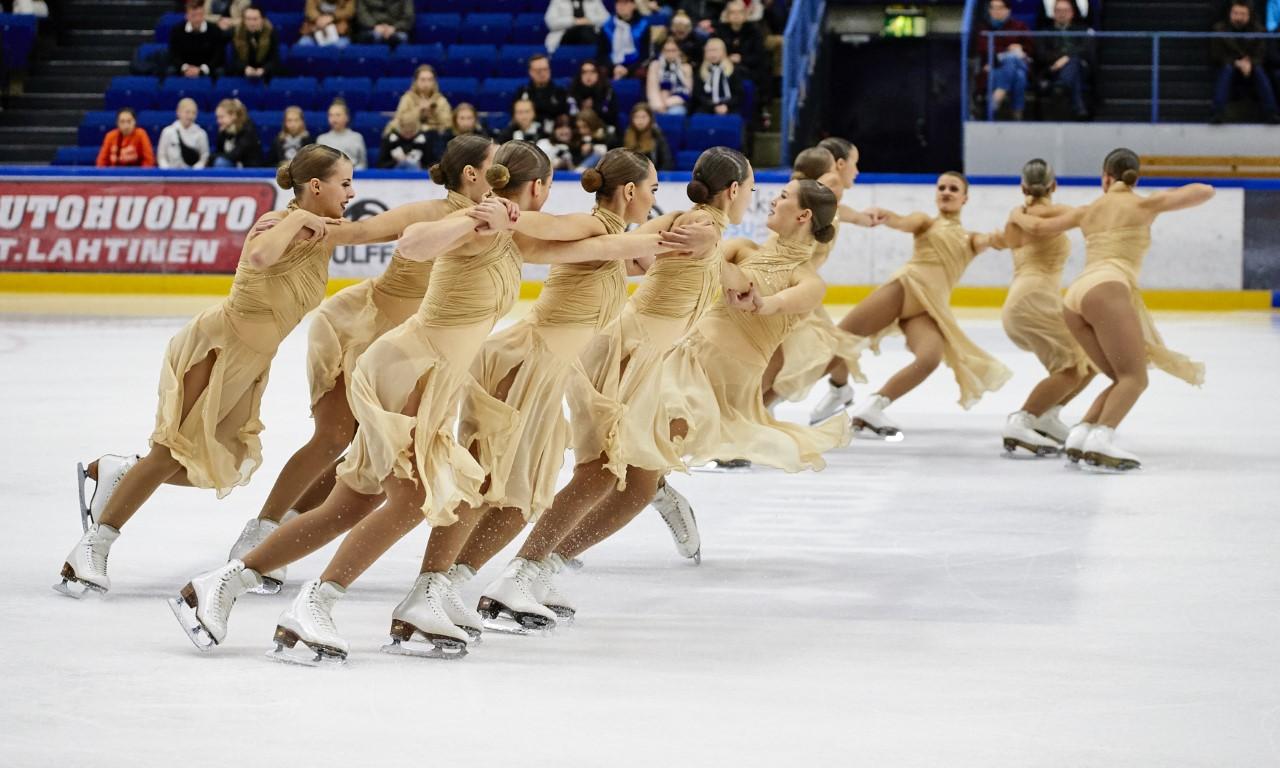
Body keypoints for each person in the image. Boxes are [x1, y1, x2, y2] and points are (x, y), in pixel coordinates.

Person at [174, 141, 674, 661]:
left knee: (359, 500)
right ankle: (321, 604)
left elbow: (603, 249)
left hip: (431, 378)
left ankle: (222, 584)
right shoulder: (464, 221)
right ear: (539, 187)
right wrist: (474, 221)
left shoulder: (511, 239)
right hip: (407, 368)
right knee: (420, 497)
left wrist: (667, 242)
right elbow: (412, 243)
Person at [57, 144, 452, 599]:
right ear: (316, 186)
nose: (352, 191)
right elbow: (262, 255)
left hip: (253, 361)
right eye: (345, 182)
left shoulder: (327, 230)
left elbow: (385, 233)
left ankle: (120, 472)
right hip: (218, 346)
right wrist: (298, 219)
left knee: (219, 468)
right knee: (171, 451)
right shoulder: (276, 223)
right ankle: (91, 548)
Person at [466, 147, 748, 623]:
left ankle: (536, 569)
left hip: (633, 355)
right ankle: (518, 575)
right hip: (625, 355)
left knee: (636, 485)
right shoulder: (697, 226)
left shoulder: (692, 229)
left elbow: (669, 256)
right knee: (600, 471)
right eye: (652, 189)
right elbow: (678, 241)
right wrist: (512, 217)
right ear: (736, 191)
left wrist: (743, 282)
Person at [221, 135, 499, 595]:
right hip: (362, 329)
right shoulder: (426, 214)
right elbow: (354, 232)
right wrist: (296, 220)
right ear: (472, 173)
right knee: (334, 437)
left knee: (366, 460)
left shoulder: (490, 221)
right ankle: (261, 532)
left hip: (412, 351)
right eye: (495, 164)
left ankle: (289, 533)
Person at [1010, 149, 1212, 470]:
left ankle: (1083, 434)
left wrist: (1018, 214)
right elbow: (1205, 191)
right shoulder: (1144, 203)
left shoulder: (1088, 210)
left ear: (1104, 177)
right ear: (1134, 177)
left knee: (1120, 378)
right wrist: (1158, 197)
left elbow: (1038, 229)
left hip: (1075, 297)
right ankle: (1103, 438)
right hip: (1107, 287)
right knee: (1135, 378)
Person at [811, 172, 1011, 436]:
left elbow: (991, 241)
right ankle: (773, 398)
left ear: (965, 198)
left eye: (953, 188)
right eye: (942, 188)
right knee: (840, 341)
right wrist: (888, 217)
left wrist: (1004, 238)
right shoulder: (926, 222)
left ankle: (874, 406)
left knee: (930, 357)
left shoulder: (971, 239)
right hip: (904, 290)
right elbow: (904, 222)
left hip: (927, 308)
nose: (947, 192)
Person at [768, 140, 877, 419]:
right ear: (838, 167)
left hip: (797, 286)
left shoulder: (825, 203)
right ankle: (757, 407)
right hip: (787, 286)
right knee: (807, 351)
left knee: (828, 343)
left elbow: (842, 210)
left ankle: (840, 389)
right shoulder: (813, 200)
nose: (857, 170)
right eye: (854, 162)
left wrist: (864, 219)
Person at [996, 158, 1095, 455]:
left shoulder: (1015, 219)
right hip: (1034, 299)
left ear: (1023, 186)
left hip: (1022, 302)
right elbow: (1080, 216)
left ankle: (1047, 416)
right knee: (1070, 368)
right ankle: (1022, 419)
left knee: (1089, 361)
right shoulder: (1058, 212)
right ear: (1054, 185)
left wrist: (1017, 212)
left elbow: (1013, 236)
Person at [1211, 1, 1279, 123]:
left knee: (1259, 71)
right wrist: (1236, 62)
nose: (1238, 17)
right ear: (1229, 13)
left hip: (1251, 67)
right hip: (1229, 66)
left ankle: (1272, 113)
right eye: (1235, 13)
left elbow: (1262, 54)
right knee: (1227, 70)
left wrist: (1250, 62)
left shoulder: (1259, 30)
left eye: (1242, 14)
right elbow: (1217, 55)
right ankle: (1217, 113)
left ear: (1249, 15)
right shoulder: (1219, 29)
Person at [973, 0, 1033, 120]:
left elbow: (1030, 48)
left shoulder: (1019, 26)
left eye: (1000, 8)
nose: (996, 11)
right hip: (994, 68)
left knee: (1013, 58)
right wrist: (1009, 50)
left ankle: (999, 94)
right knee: (1019, 75)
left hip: (1010, 64)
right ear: (989, 10)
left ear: (1008, 10)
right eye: (993, 8)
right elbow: (983, 49)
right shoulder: (983, 28)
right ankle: (1017, 116)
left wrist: (1021, 48)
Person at [1035, 0, 1094, 119]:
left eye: (1065, 10)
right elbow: (1041, 54)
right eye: (1058, 10)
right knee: (1073, 67)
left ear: (1072, 13)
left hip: (1081, 69)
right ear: (1053, 13)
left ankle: (1061, 86)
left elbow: (1086, 50)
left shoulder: (1082, 31)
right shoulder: (1045, 32)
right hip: (1052, 69)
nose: (1062, 14)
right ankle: (1078, 105)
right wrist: (1061, 59)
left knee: (1074, 63)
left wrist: (1067, 58)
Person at [169, 1, 225, 79]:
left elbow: (219, 55)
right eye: (193, 16)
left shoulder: (215, 30)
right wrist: (185, 68)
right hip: (184, 68)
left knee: (220, 71)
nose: (197, 19)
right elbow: (173, 54)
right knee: (170, 71)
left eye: (200, 15)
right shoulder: (177, 31)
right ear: (187, 16)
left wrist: (202, 70)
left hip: (208, 68)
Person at [516, 54, 569, 133]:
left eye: (545, 69)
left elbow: (564, 115)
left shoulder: (560, 92)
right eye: (538, 70)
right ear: (531, 72)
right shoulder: (522, 92)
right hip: (527, 133)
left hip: (554, 135)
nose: (542, 73)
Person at [600, 0, 652, 80]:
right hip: (612, 65)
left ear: (633, 5)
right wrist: (614, 67)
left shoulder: (643, 25)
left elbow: (645, 54)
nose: (621, 7)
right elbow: (602, 53)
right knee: (599, 72)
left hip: (635, 65)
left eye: (625, 3)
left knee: (643, 72)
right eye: (619, 3)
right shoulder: (607, 26)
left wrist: (628, 69)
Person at [692, 37, 743, 115]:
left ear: (723, 52)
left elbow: (738, 94)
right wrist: (713, 106)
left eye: (715, 50)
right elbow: (698, 95)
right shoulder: (700, 70)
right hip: (707, 106)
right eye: (709, 50)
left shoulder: (734, 70)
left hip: (729, 107)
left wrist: (726, 105)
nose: (712, 54)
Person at [397, 65, 452, 135]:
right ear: (416, 81)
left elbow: (448, 123)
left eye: (430, 80)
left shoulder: (441, 100)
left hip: (435, 136)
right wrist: (418, 110)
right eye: (423, 80)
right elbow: (400, 121)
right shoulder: (407, 98)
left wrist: (433, 110)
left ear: (434, 82)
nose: (426, 84)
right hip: (411, 135)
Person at [157, 98, 210, 169]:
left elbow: (204, 157)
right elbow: (161, 156)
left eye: (193, 113)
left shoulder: (201, 134)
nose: (190, 116)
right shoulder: (167, 132)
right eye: (187, 112)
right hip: (170, 173)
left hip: (193, 174)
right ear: (178, 112)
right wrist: (167, 171)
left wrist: (195, 171)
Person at [229, 5, 279, 81]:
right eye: (248, 19)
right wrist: (245, 68)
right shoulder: (236, 33)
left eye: (255, 19)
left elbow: (274, 59)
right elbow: (234, 59)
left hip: (265, 73)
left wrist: (263, 69)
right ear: (244, 20)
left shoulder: (271, 34)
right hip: (242, 73)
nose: (251, 23)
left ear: (262, 19)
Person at [209, 98, 262, 168]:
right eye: (217, 117)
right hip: (233, 164)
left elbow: (235, 155)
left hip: (249, 168)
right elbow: (219, 151)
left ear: (233, 116)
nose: (218, 121)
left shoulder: (248, 129)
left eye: (221, 117)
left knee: (220, 162)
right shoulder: (223, 130)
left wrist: (212, 156)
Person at [647, 36, 694, 114]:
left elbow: (687, 91)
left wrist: (667, 103)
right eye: (667, 51)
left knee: (676, 112)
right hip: (657, 103)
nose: (670, 53)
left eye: (673, 50)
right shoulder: (655, 65)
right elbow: (652, 89)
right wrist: (659, 106)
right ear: (662, 51)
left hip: (677, 103)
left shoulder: (686, 67)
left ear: (679, 51)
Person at [316, 98, 367, 170]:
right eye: (331, 115)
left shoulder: (357, 137)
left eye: (338, 115)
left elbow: (362, 163)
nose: (334, 119)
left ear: (347, 117)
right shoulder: (321, 139)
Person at [624, 102, 674, 170]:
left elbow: (667, 162)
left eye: (643, 117)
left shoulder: (657, 136)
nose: (640, 121)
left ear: (650, 118)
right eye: (636, 117)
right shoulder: (625, 136)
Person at [544, 0, 609, 51]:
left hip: (590, 34)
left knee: (587, 31)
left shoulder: (595, 1)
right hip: (565, 35)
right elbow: (550, 22)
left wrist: (589, 20)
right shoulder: (557, 1)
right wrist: (574, 21)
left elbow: (606, 19)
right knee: (581, 31)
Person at [569, 60, 616, 126]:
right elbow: (570, 116)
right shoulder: (572, 92)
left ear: (598, 74)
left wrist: (594, 107)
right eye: (584, 72)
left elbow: (612, 117)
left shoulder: (607, 91)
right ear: (580, 75)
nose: (588, 75)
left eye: (592, 72)